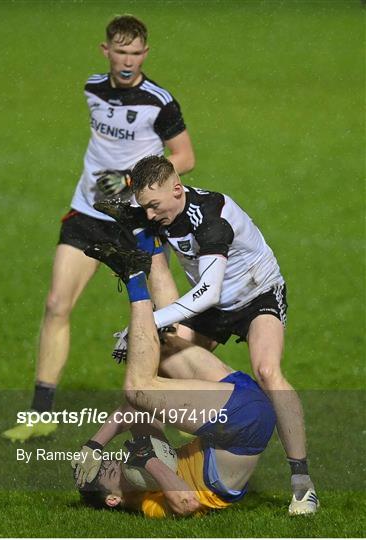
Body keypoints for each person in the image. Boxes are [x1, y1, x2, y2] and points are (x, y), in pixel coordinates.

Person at [2, 16, 195, 443]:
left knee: (169, 319)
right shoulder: (92, 88)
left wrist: (130, 182)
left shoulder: (159, 101)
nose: (128, 61)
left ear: (146, 53)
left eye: (136, 53)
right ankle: (40, 413)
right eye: (120, 52)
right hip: (86, 214)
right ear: (105, 50)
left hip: (132, 220)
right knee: (56, 304)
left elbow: (184, 156)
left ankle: (190, 402)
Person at [92, 155, 319, 515]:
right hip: (210, 306)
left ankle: (302, 484)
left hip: (255, 294)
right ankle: (165, 454)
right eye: (144, 207)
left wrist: (146, 324)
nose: (150, 215)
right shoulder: (157, 207)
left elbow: (210, 292)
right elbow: (110, 203)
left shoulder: (211, 219)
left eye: (154, 206)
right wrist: (119, 188)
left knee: (267, 372)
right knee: (158, 362)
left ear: (178, 190)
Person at [72, 244, 276, 517]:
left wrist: (94, 445)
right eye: (108, 471)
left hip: (238, 405)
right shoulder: (148, 504)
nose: (114, 463)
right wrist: (149, 460)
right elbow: (187, 505)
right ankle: (134, 279)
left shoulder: (142, 469)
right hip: (243, 424)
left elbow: (136, 411)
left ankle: (146, 241)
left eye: (110, 461)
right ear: (112, 500)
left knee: (164, 344)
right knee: (138, 388)